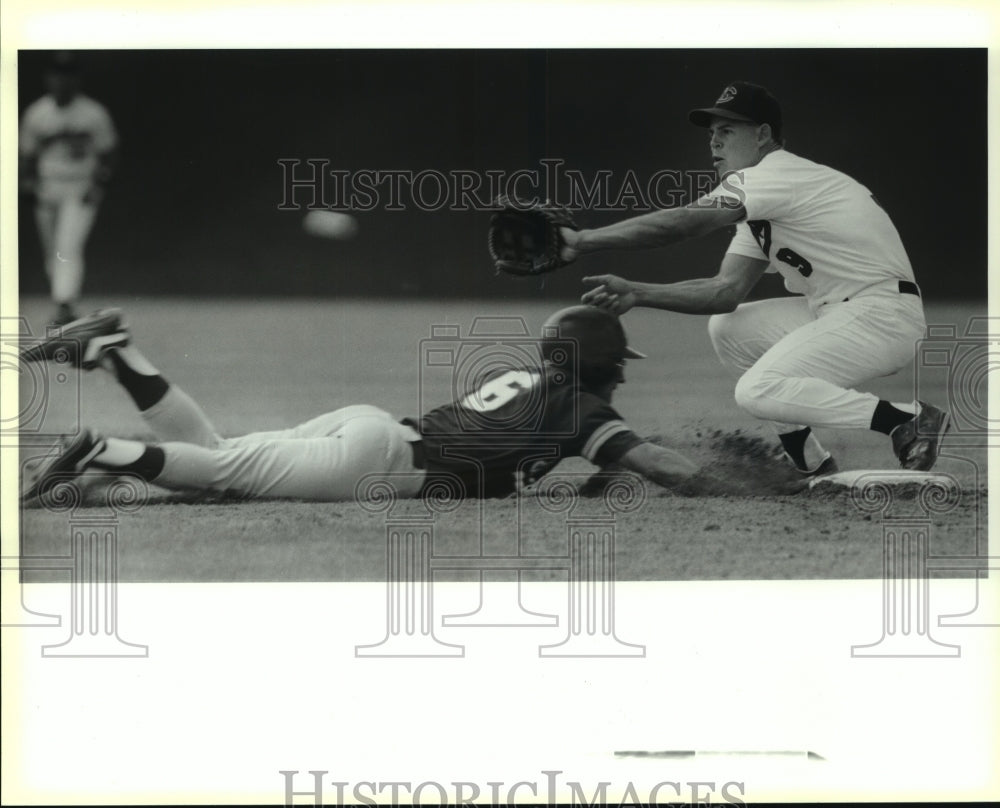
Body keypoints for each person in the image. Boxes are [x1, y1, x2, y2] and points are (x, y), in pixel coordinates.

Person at [20, 306, 784, 504]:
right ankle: (102, 453)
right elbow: (656, 464)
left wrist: (602, 476)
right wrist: (734, 486)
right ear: (596, 366)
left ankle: (116, 353)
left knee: (220, 455)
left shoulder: (541, 390)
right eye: (617, 367)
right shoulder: (579, 406)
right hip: (378, 460)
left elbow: (588, 464)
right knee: (225, 471)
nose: (620, 380)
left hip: (373, 432)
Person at [567, 81, 949, 476]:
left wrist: (583, 239)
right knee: (729, 327)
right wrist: (636, 292)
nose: (714, 142)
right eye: (711, 133)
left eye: (727, 131)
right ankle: (810, 462)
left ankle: (904, 421)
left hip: (880, 314)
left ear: (763, 135)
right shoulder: (762, 203)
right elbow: (723, 292)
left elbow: (681, 224)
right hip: (841, 311)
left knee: (756, 391)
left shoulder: (776, 174)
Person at [19, 52, 119, 327]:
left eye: (69, 75)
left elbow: (108, 152)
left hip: (79, 187)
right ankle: (64, 303)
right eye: (58, 75)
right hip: (47, 188)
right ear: (49, 79)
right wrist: (27, 182)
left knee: (68, 246)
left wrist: (99, 184)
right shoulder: (38, 113)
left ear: (77, 80)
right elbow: (27, 155)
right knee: (53, 252)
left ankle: (64, 305)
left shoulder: (92, 113)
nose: (63, 81)